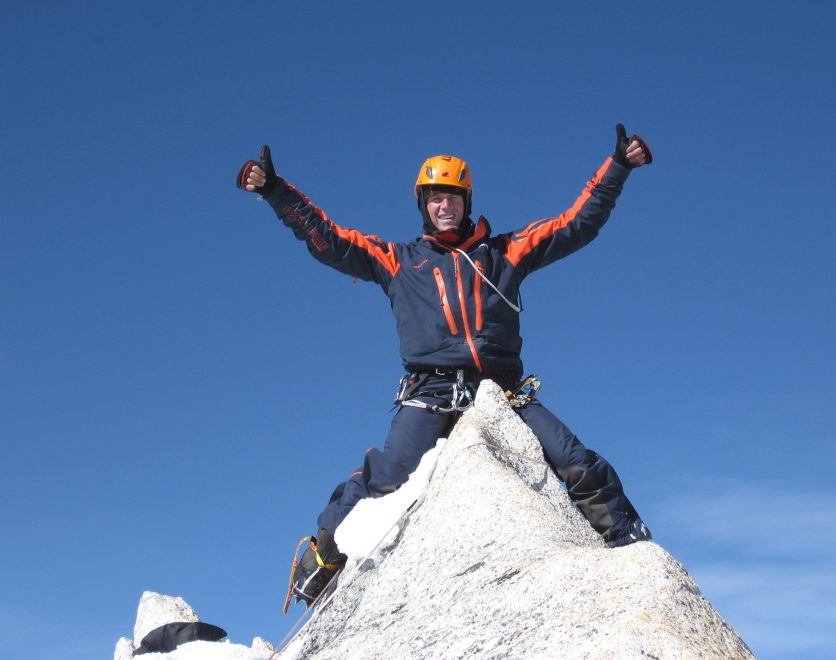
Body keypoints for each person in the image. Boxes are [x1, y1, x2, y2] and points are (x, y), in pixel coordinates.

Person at [237, 125, 654, 606]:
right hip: (430, 393)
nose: (444, 206)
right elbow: (327, 239)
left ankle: (632, 554)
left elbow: (575, 224)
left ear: (467, 200)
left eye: (453, 197)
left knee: (575, 458)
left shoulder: (503, 253)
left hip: (502, 390)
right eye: (435, 197)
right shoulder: (398, 261)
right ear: (422, 204)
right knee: (389, 473)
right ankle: (323, 555)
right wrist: (274, 190)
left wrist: (618, 166)